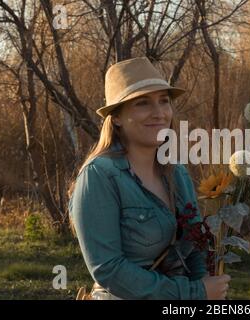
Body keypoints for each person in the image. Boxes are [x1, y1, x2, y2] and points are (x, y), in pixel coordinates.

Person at [68, 57, 231, 299]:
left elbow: (195, 246)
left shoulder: (177, 173)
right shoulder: (100, 176)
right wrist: (194, 293)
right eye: (142, 103)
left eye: (164, 101)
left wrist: (205, 292)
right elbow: (109, 269)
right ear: (117, 117)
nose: (159, 113)